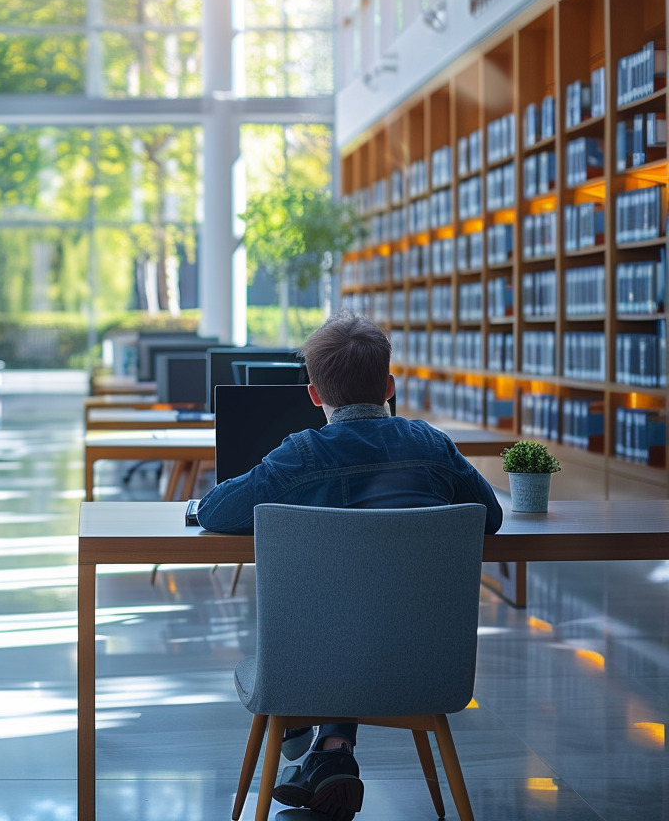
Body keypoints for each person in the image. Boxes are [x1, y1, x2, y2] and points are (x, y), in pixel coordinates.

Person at [196, 311, 502, 821]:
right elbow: (487, 516)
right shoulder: (433, 445)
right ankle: (332, 747)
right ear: (389, 385)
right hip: (427, 665)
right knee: (372, 609)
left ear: (314, 394)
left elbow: (214, 511)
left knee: (339, 615)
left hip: (313, 664)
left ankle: (301, 729)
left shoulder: (301, 454)